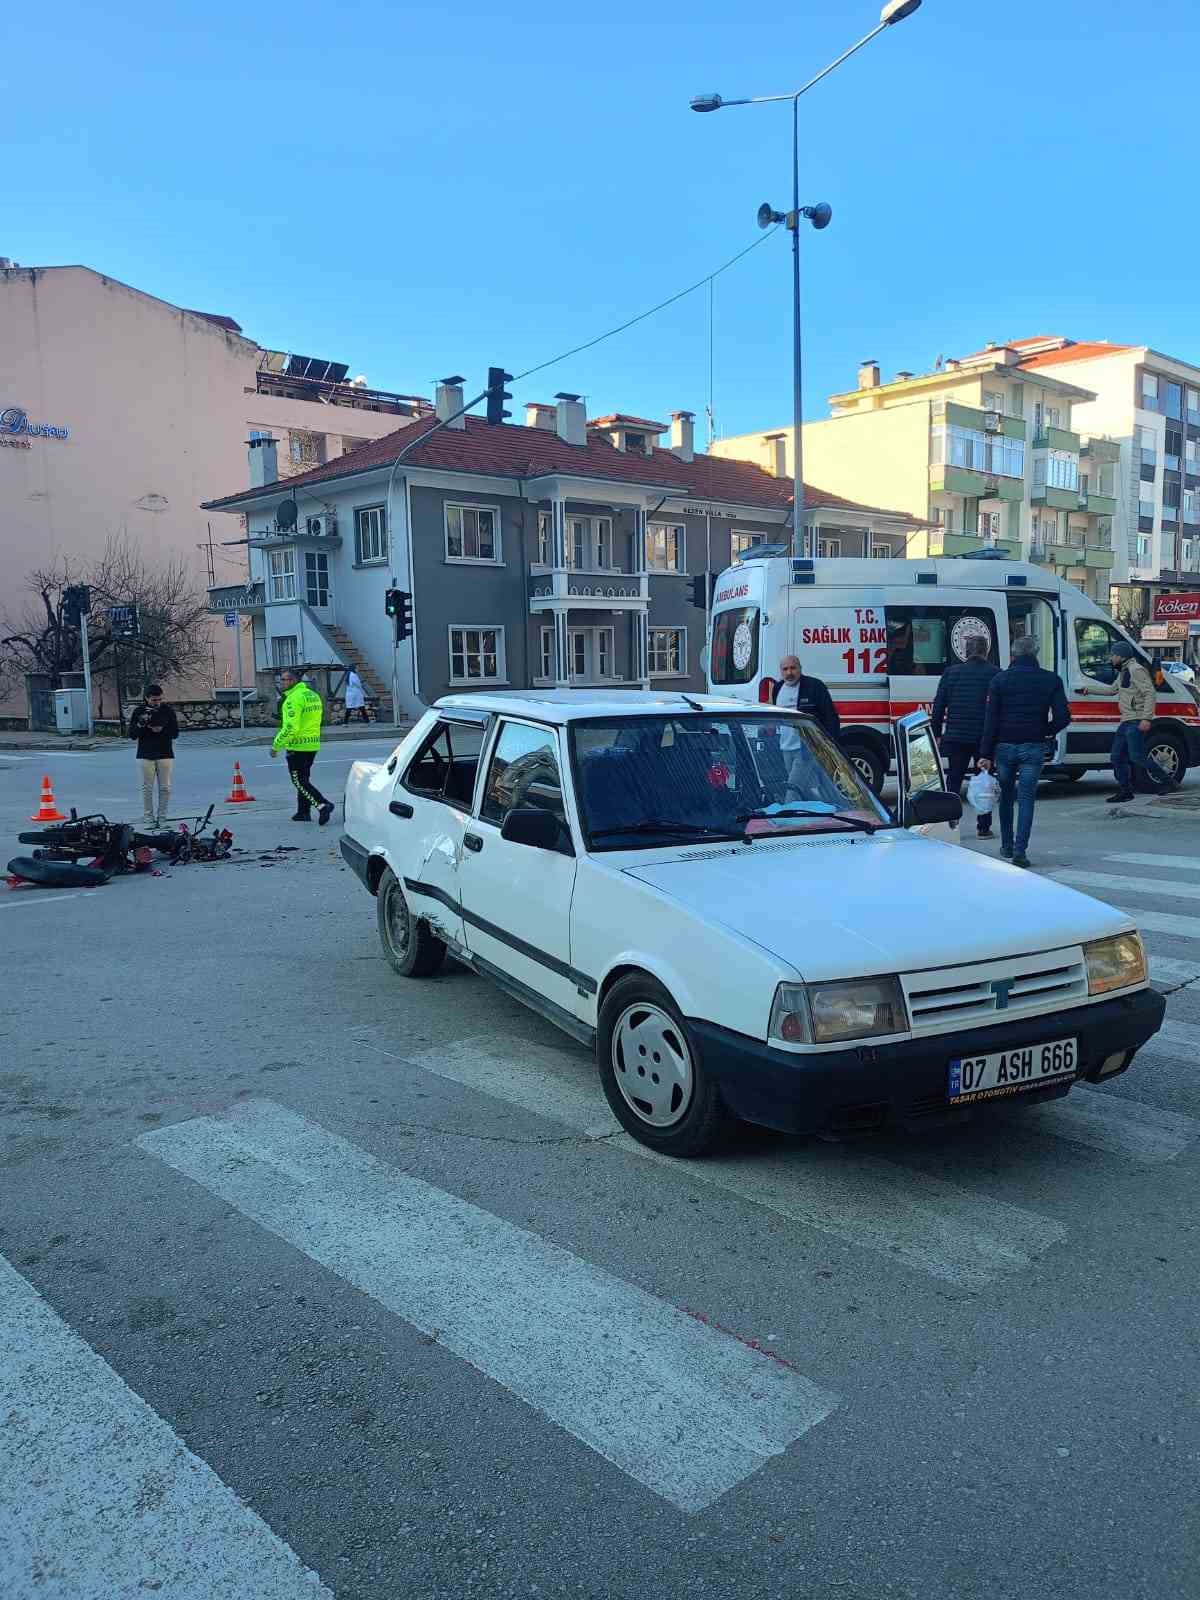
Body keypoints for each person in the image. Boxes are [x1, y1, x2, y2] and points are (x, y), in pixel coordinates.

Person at [979, 635, 1070, 868]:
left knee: (1006, 797)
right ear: (1035, 653)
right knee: (1027, 798)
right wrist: (1045, 730)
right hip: (1033, 746)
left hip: (1004, 747)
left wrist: (985, 753)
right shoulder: (1051, 680)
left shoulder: (999, 680)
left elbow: (991, 720)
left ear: (1013, 654)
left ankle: (1007, 846)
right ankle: (1020, 851)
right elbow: (1063, 717)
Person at [931, 637, 999, 839]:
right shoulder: (995, 673)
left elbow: (938, 705)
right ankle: (983, 827)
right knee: (984, 781)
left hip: (956, 735)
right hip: (983, 738)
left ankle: (951, 825)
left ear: (966, 652)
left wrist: (936, 733)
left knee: (954, 780)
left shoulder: (951, 673)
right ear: (986, 651)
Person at [1107, 641, 1178, 802]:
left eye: (1113, 655)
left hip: (1136, 720)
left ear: (1121, 656)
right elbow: (1111, 690)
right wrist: (1087, 689)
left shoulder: (1136, 670)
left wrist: (1146, 718)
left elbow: (1150, 693)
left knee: (1137, 757)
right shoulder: (1123, 671)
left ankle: (1168, 782)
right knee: (1117, 757)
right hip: (1126, 721)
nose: (1111, 658)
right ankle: (1126, 791)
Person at [771, 654, 841, 802]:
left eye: (793, 668)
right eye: (785, 669)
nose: (789, 672)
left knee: (793, 788)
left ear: (800, 668)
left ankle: (788, 814)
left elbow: (831, 716)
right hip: (785, 747)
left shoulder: (814, 686)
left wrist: (831, 744)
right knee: (810, 788)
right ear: (780, 671)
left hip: (807, 748)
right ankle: (833, 808)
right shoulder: (777, 688)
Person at [271, 668, 334, 825]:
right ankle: (303, 812)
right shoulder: (312, 695)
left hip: (297, 746)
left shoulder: (293, 699)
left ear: (293, 681)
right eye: (280, 680)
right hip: (312, 744)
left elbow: (291, 727)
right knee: (304, 779)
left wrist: (276, 745)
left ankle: (322, 804)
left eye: (284, 680)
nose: (281, 683)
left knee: (299, 781)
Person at [129, 684, 179, 827]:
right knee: (147, 788)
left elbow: (175, 733)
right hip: (145, 753)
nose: (157, 702)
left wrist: (161, 729)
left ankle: (162, 818)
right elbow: (132, 735)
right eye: (154, 700)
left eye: (159, 699)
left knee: (165, 788)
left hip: (165, 753)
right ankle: (148, 817)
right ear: (146, 698)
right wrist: (141, 724)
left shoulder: (167, 711)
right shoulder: (139, 711)